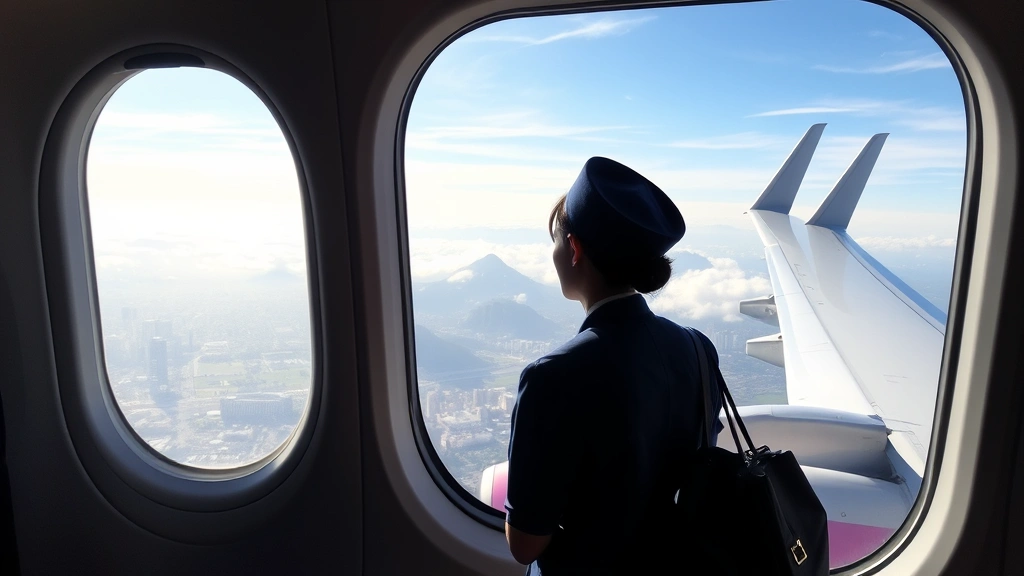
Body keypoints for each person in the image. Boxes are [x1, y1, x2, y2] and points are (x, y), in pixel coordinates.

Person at [504, 157, 725, 575]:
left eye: (555, 240)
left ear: (573, 250)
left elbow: (525, 545)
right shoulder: (698, 348)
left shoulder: (551, 377)